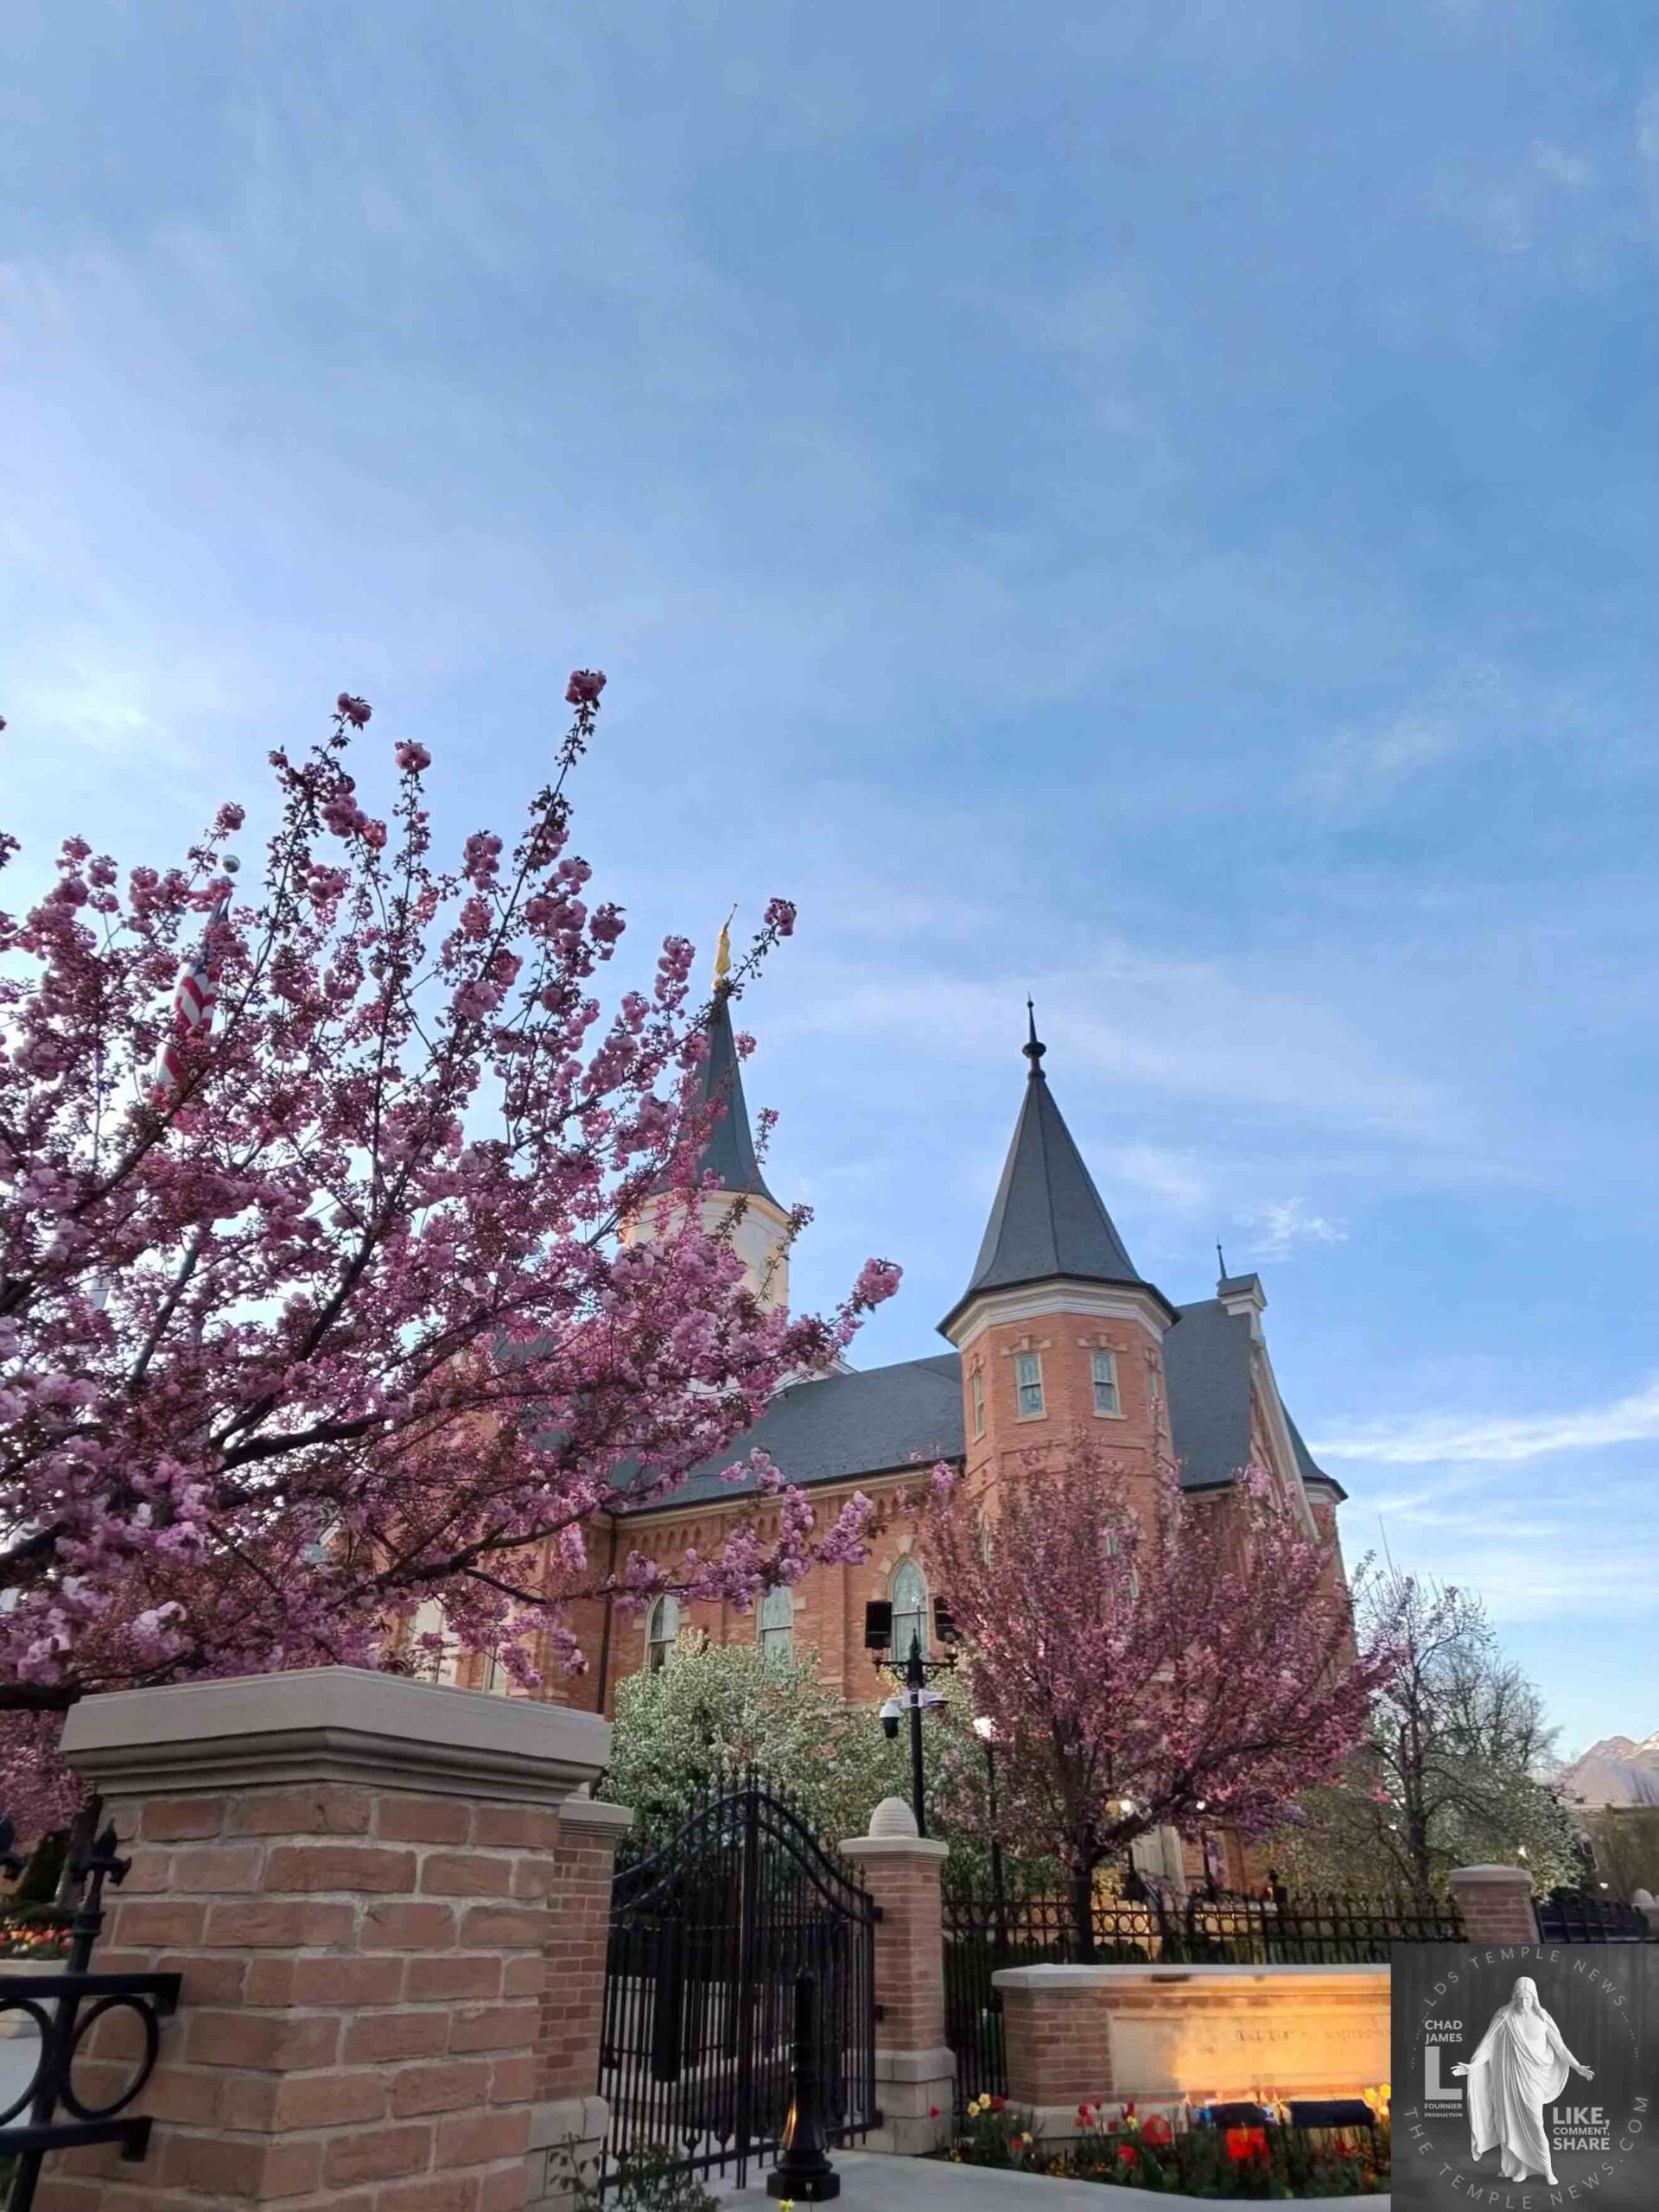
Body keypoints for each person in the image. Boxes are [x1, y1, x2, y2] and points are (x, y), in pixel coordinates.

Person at [1452, 1975, 1594, 2186]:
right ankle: (1521, 2168)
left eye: (1527, 1998)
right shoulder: (1504, 2016)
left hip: (1533, 2079)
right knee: (1512, 2123)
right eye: (1519, 1998)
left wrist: (1577, 2066)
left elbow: (1560, 2048)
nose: (1523, 2002)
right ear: (1514, 1997)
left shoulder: (1543, 2018)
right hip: (1509, 2079)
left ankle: (1547, 2170)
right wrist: (1472, 2066)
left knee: (1535, 2123)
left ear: (1534, 1998)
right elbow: (1488, 2046)